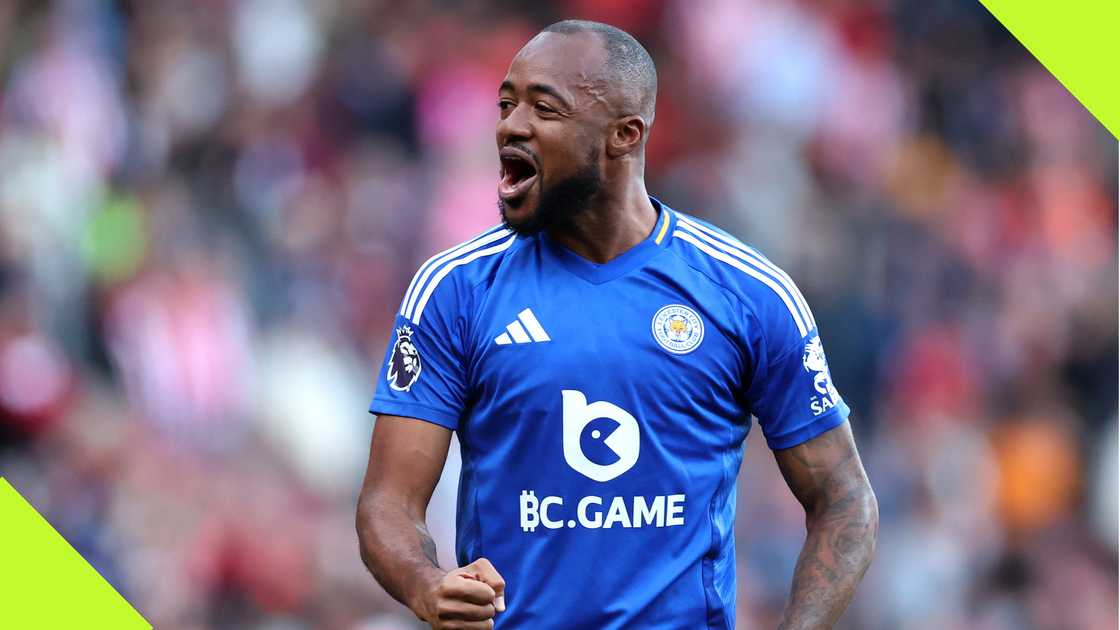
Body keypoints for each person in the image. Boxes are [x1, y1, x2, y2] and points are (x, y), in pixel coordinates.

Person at [356, 19, 878, 630]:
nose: (510, 125)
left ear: (623, 136)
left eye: (544, 108)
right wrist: (426, 585)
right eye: (506, 103)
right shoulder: (455, 290)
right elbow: (387, 503)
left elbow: (844, 500)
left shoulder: (746, 294)